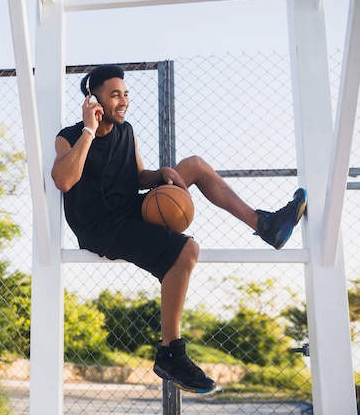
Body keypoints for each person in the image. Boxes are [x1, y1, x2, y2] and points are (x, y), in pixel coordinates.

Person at [50, 64, 307, 394]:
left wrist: (160, 175)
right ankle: (170, 352)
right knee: (187, 249)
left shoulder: (126, 133)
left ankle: (266, 225)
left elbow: (138, 176)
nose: (123, 101)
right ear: (93, 100)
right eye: (114, 95)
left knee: (195, 165)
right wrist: (88, 130)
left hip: (129, 209)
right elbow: (64, 180)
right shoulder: (70, 136)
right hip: (100, 227)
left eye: (125, 94)